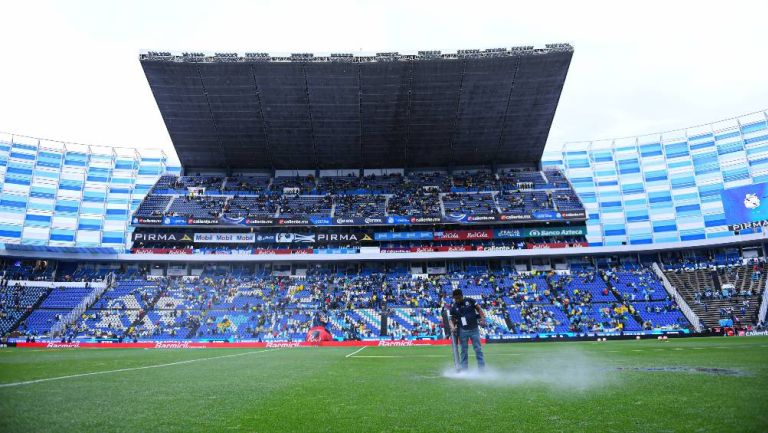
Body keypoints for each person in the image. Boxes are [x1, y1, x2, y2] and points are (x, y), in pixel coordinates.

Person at [449, 288, 486, 371]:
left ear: (462, 296)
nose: (457, 300)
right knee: (464, 351)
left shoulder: (470, 300)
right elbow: (451, 319)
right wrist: (452, 327)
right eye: (455, 298)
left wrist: (482, 319)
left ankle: (482, 369)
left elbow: (479, 309)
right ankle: (464, 370)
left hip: (474, 329)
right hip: (462, 331)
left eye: (458, 298)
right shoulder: (454, 307)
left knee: (478, 349)